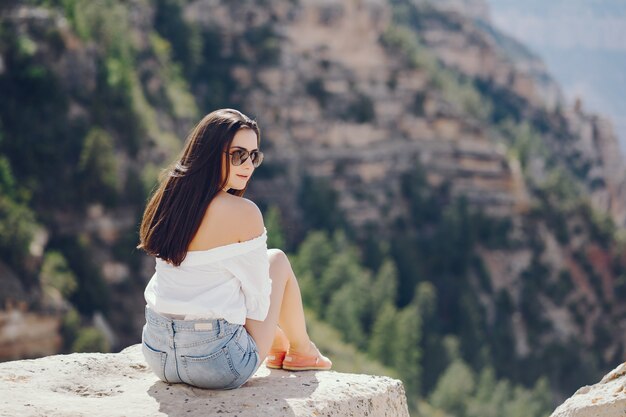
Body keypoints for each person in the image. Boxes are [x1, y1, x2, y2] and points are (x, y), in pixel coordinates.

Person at [137, 108, 332, 390]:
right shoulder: (243, 213)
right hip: (216, 363)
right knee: (276, 261)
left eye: (254, 156)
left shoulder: (169, 200)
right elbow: (258, 300)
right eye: (238, 154)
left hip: (159, 354)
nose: (248, 165)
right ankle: (302, 351)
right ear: (210, 153)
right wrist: (274, 334)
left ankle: (288, 345)